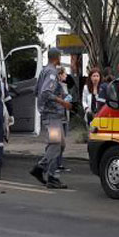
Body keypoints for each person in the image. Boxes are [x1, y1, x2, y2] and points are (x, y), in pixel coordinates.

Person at [30, 48, 72, 189]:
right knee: (55, 145)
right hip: (52, 115)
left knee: (60, 144)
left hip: (50, 114)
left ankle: (42, 169)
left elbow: (36, 91)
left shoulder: (43, 71)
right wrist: (62, 102)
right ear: (57, 57)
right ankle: (50, 175)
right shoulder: (52, 72)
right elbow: (45, 92)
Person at [55, 66, 73, 174]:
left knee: (62, 144)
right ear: (60, 75)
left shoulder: (64, 85)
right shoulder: (55, 86)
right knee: (57, 143)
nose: (66, 75)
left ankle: (58, 163)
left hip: (64, 117)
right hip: (56, 119)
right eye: (64, 74)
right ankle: (53, 165)